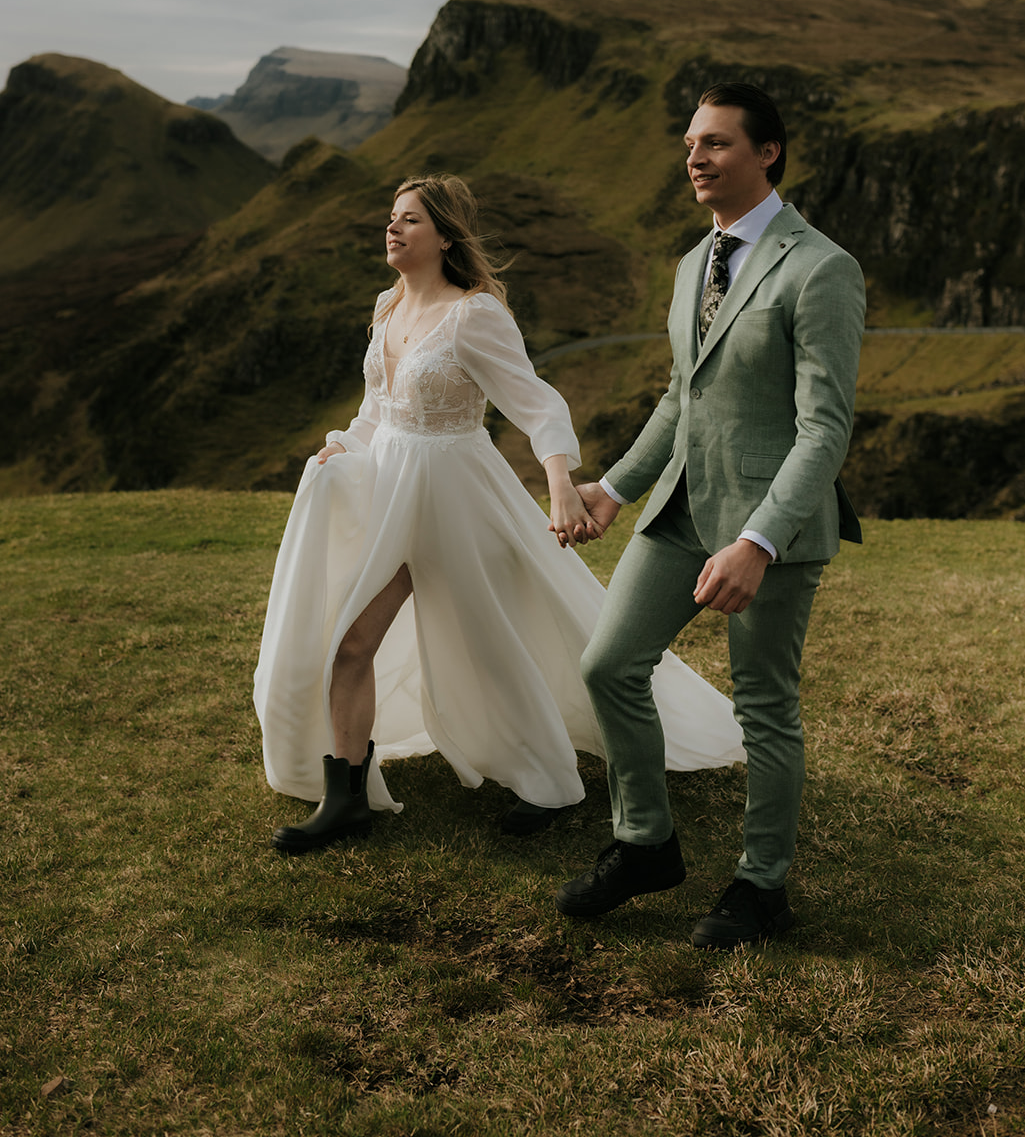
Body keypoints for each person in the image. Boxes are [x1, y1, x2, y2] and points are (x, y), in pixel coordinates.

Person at [254, 174, 745, 853]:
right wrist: (342, 446)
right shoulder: (386, 306)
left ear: (445, 236)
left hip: (456, 495)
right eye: (390, 219)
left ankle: (547, 778)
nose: (392, 229)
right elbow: (379, 412)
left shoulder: (474, 314)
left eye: (410, 221)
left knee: (485, 645)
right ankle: (346, 799)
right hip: (389, 495)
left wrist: (561, 486)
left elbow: (536, 404)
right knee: (350, 641)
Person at [556, 83, 865, 948]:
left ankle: (761, 888)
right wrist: (613, 488)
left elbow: (824, 428)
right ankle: (644, 844)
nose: (695, 157)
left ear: (767, 153)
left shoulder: (821, 268)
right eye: (691, 143)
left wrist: (759, 540)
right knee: (610, 664)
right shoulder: (696, 262)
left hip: (769, 529)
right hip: (680, 511)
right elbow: (679, 398)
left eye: (717, 143)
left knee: (764, 707)